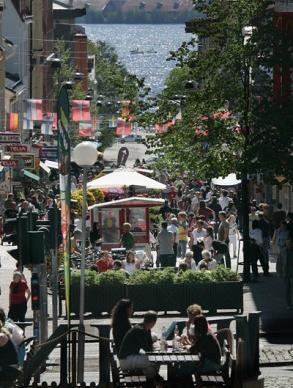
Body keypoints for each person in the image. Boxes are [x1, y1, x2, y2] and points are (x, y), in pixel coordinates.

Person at [118, 311, 159, 379]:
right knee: (154, 361)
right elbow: (148, 349)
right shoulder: (140, 330)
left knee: (152, 366)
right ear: (153, 322)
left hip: (129, 357)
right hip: (126, 360)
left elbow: (149, 345)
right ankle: (153, 379)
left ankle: (151, 379)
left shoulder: (144, 328)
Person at [276, 238, 293, 310]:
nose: (289, 245)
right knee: (287, 290)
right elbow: (279, 263)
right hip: (286, 273)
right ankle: (289, 304)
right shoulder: (283, 251)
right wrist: (279, 272)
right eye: (287, 243)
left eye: (290, 243)